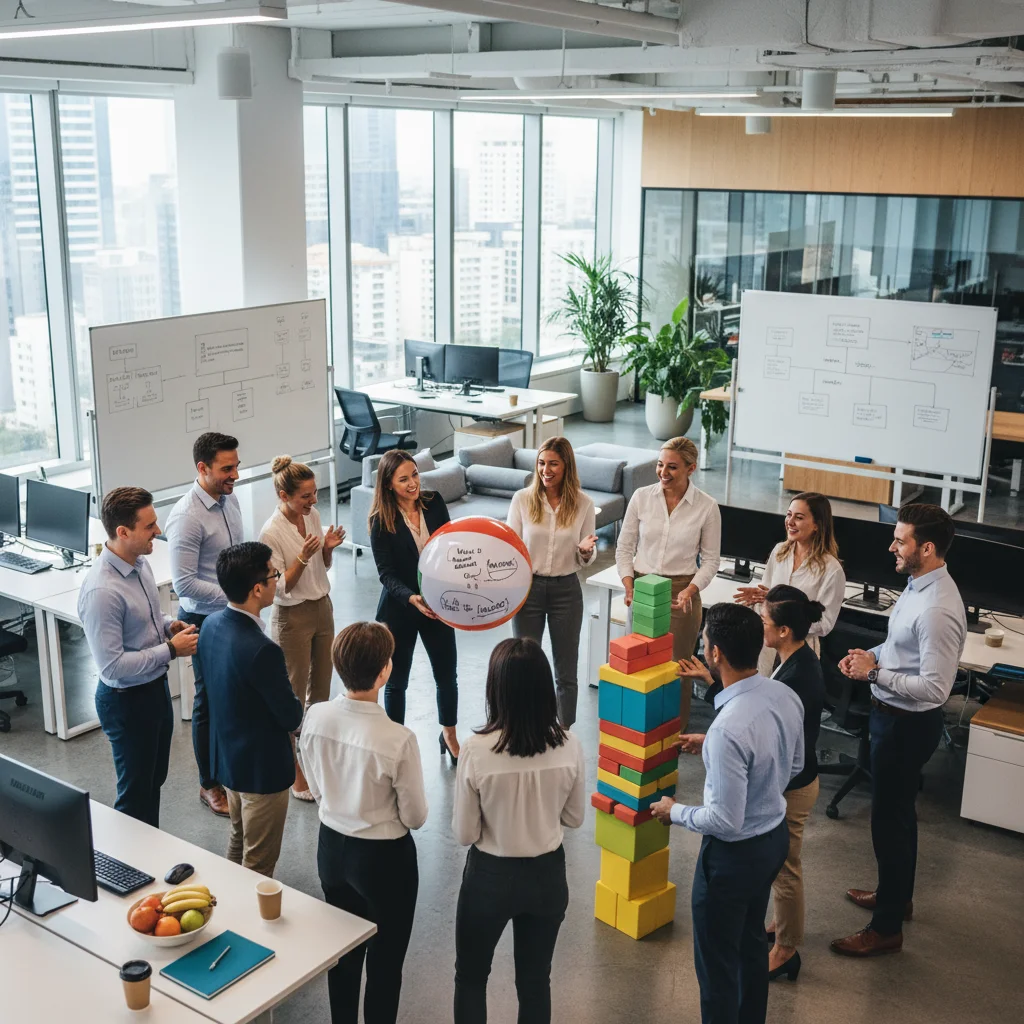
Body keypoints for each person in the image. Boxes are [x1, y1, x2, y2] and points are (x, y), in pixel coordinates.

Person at [651, 603, 804, 1024]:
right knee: (751, 945)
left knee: (717, 968)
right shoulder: (783, 694)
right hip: (774, 840)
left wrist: (674, 810)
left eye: (703, 644)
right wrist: (728, 757)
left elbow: (725, 820)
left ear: (715, 654)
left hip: (732, 858)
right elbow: (793, 765)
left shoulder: (727, 729)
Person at [831, 503, 966, 958]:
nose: (892, 545)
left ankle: (886, 928)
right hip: (890, 716)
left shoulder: (938, 610)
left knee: (890, 823)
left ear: (926, 548)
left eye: (901, 539)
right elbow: (896, 645)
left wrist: (873, 675)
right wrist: (869, 654)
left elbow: (934, 689)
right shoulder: (917, 585)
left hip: (907, 725)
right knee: (896, 818)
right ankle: (897, 897)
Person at [298, 622, 426, 1024]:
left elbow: (316, 789)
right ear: (385, 671)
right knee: (385, 965)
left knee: (344, 956)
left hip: (331, 849)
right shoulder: (397, 739)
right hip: (385, 859)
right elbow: (416, 817)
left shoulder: (315, 717)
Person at [452, 638, 586, 1024]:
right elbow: (574, 818)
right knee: (534, 982)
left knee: (472, 978)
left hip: (490, 878)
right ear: (546, 689)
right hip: (547, 877)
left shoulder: (476, 750)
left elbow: (464, 833)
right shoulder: (569, 745)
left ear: (496, 688)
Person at [78, 487, 198, 828]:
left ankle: (148, 856)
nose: (158, 532)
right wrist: (171, 649)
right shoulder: (103, 591)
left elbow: (148, 616)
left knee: (152, 783)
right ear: (123, 532)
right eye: (150, 526)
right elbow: (113, 666)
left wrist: (167, 624)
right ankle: (126, 872)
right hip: (126, 701)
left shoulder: (140, 564)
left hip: (153, 689)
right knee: (134, 795)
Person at [199, 541, 304, 877]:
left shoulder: (211, 626)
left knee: (238, 837)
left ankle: (227, 906)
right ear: (258, 589)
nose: (278, 580)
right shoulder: (262, 650)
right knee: (258, 863)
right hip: (262, 772)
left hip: (229, 762)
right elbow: (289, 716)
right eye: (274, 575)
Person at [616, 435, 721, 729]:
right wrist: (628, 584)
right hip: (642, 587)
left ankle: (674, 734)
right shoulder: (641, 497)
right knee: (638, 662)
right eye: (660, 465)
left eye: (672, 467)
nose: (664, 473)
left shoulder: (706, 507)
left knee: (678, 668)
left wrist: (691, 589)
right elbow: (624, 547)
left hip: (681, 593)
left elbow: (711, 560)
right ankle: (638, 730)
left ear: (691, 468)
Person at [165, 431, 244, 817]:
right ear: (203, 468)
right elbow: (183, 584)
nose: (235, 475)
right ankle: (208, 783)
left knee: (232, 697)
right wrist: (236, 592)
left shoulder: (229, 501)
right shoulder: (186, 517)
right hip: (202, 619)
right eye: (227, 469)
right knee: (208, 703)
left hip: (231, 613)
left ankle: (228, 770)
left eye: (236, 466)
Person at [260, 455, 345, 800]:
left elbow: (322, 567)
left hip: (322, 608)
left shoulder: (314, 517)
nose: (313, 501)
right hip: (292, 618)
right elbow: (282, 587)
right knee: (291, 697)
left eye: (314, 493)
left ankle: (313, 755)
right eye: (305, 496)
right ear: (284, 495)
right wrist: (304, 557)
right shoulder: (271, 532)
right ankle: (293, 770)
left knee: (321, 691)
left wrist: (326, 550)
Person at [369, 449, 459, 764]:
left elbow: (450, 549)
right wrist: (411, 597)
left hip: (438, 605)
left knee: (447, 674)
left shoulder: (434, 503)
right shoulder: (381, 520)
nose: (412, 484)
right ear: (389, 484)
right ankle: (396, 746)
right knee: (397, 683)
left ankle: (449, 734)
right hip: (400, 609)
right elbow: (386, 574)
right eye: (403, 479)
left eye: (415, 475)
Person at [507, 437, 598, 728]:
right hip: (527, 590)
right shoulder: (522, 499)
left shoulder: (584, 504)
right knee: (523, 664)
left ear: (567, 466)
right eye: (542, 463)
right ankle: (524, 727)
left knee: (566, 670)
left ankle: (564, 731)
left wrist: (586, 552)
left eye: (553, 464)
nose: (546, 470)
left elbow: (588, 553)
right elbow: (510, 548)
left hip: (566, 591)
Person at [760, 585, 826, 982]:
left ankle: (786, 950)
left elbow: (772, 730)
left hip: (795, 785)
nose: (761, 626)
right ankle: (780, 926)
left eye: (765, 622)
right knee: (780, 863)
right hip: (796, 779)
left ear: (784, 630)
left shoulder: (796, 675)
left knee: (786, 867)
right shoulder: (796, 658)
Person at [733, 492, 845, 676]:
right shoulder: (779, 551)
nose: (790, 522)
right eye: (788, 514)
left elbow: (825, 624)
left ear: (817, 525)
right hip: (767, 645)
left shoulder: (831, 570)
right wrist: (761, 600)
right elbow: (767, 595)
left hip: (800, 649)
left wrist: (784, 615)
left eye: (799, 517)